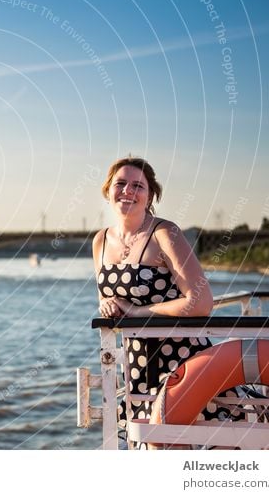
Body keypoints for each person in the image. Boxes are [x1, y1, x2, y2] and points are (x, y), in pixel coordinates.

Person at [92, 156, 240, 446]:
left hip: (181, 356)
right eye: (120, 183)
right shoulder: (100, 241)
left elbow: (201, 302)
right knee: (151, 444)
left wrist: (138, 312)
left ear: (150, 195)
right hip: (137, 360)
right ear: (108, 189)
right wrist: (106, 306)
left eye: (138, 186)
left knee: (183, 440)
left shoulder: (164, 233)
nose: (128, 191)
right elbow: (107, 296)